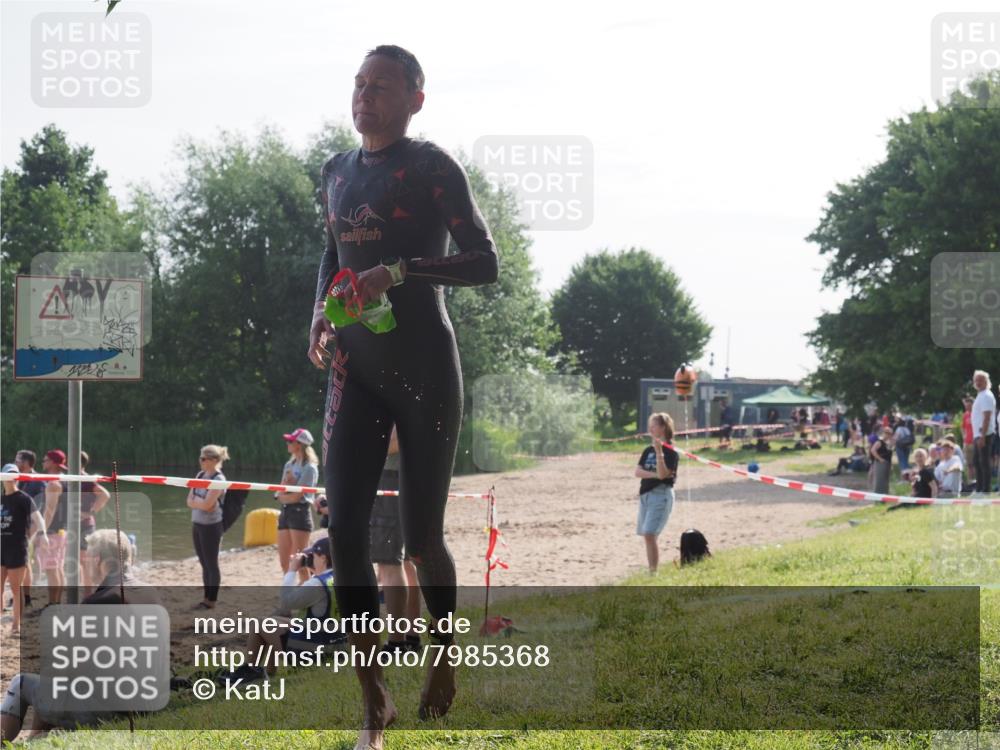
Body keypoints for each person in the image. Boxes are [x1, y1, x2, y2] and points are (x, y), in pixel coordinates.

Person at [306, 45, 498, 746]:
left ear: (416, 97)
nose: (364, 96)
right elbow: (332, 253)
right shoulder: (335, 172)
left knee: (422, 540)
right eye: (358, 84)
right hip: (354, 371)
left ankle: (443, 658)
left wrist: (400, 270)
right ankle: (372, 702)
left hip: (425, 367)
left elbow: (485, 261)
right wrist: (319, 317)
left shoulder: (430, 168)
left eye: (381, 86)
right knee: (347, 536)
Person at [1, 528, 160, 742]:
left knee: (21, 684)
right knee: (51, 686)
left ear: (97, 560)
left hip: (111, 712)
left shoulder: (99, 601)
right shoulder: (151, 594)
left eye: (87, 558)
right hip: (148, 703)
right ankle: (34, 742)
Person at [219, 537, 345, 685]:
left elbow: (287, 601)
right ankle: (263, 671)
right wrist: (315, 571)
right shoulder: (342, 578)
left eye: (314, 557)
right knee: (273, 621)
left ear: (323, 558)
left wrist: (292, 570)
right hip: (337, 647)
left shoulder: (318, 583)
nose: (312, 560)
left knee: (261, 623)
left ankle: (251, 670)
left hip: (314, 654)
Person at [371, 426, 421, 654]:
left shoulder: (396, 395)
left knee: (389, 563)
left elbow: (393, 440)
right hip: (409, 475)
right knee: (407, 563)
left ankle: (397, 642)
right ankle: (411, 636)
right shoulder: (417, 393)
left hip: (392, 477)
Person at [1, 465, 48, 634]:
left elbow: (38, 518)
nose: (12, 477)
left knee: (16, 588)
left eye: (15, 474)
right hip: (2, 548)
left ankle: (16, 624)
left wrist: (42, 534)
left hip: (17, 548)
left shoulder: (24, 498)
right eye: (8, 474)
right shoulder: (1, 499)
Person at [634, 413, 679, 574]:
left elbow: (663, 474)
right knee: (647, 535)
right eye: (650, 425)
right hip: (645, 495)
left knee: (650, 533)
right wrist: (654, 475)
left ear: (663, 427)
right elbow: (638, 472)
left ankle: (653, 572)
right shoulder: (648, 450)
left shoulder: (671, 452)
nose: (650, 428)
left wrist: (659, 452)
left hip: (661, 495)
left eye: (654, 425)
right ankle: (652, 570)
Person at [187, 444, 228, 609]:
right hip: (197, 523)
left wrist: (199, 503)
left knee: (211, 564)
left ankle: (212, 600)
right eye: (200, 458)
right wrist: (200, 503)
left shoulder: (218, 479)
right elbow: (189, 500)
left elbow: (207, 504)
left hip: (211, 526)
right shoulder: (200, 475)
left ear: (214, 460)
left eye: (204, 458)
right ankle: (206, 598)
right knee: (203, 563)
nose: (200, 461)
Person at [275, 428, 318, 581]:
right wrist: (285, 493)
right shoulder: (289, 464)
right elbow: (280, 491)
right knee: (284, 562)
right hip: (285, 512)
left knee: (299, 562)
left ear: (299, 445)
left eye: (290, 441)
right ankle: (290, 596)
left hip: (300, 513)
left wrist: (284, 495)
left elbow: (297, 497)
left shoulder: (310, 468)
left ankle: (307, 595)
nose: (287, 444)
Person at [12, 451, 44, 609]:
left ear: (26, 462)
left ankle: (26, 597)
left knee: (25, 564)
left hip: (29, 527)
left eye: (17, 460)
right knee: (21, 564)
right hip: (14, 527)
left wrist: (30, 534)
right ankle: (20, 596)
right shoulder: (16, 478)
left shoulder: (37, 481)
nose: (15, 462)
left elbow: (38, 511)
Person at [37, 450, 69, 606]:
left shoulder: (53, 484)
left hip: (52, 532)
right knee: (58, 568)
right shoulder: (65, 480)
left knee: (51, 570)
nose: (43, 462)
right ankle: (57, 602)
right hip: (61, 531)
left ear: (53, 463)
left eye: (45, 460)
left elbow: (49, 511)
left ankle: (53, 604)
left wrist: (41, 532)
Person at [78, 451, 110, 590]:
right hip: (74, 525)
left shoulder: (86, 479)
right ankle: (88, 591)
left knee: (85, 562)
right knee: (81, 562)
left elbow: (105, 495)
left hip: (85, 525)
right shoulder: (72, 478)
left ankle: (88, 593)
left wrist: (89, 512)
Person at [972, 370, 996, 495]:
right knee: (977, 461)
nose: (977, 382)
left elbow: (987, 416)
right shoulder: (980, 395)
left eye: (980, 380)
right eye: (976, 380)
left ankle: (985, 490)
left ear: (986, 381)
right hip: (978, 434)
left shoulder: (986, 395)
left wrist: (982, 436)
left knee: (984, 462)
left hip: (984, 434)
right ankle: (979, 488)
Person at [869, 428, 893, 494]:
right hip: (880, 463)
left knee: (885, 480)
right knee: (879, 480)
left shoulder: (888, 444)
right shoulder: (879, 442)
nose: (888, 435)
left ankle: (885, 494)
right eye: (886, 433)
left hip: (887, 464)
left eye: (890, 434)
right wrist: (880, 459)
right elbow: (873, 450)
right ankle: (878, 495)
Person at [961, 397, 976, 486]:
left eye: (969, 405)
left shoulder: (976, 414)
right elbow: (963, 427)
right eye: (966, 405)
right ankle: (970, 480)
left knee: (976, 462)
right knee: (969, 463)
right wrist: (964, 436)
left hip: (975, 442)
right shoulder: (965, 415)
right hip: (967, 442)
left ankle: (977, 480)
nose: (967, 407)